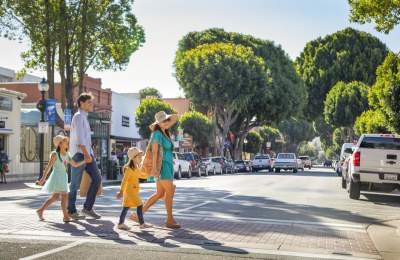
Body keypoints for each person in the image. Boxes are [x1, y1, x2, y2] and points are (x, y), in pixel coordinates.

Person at [130, 111, 180, 229]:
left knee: (160, 193)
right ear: (159, 123)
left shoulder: (165, 133)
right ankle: (170, 219)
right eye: (164, 121)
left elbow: (166, 151)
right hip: (162, 167)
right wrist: (154, 169)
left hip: (167, 165)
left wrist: (170, 159)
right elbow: (155, 152)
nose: (167, 122)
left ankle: (139, 214)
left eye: (167, 120)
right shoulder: (157, 134)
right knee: (169, 192)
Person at [68, 92, 102, 220]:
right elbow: (80, 139)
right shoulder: (78, 117)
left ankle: (87, 208)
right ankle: (71, 210)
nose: (91, 104)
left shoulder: (84, 117)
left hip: (88, 154)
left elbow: (85, 139)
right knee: (75, 184)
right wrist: (87, 154)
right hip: (79, 154)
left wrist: (90, 152)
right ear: (81, 103)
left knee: (97, 179)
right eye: (89, 102)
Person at [36, 135, 86, 222]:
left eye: (67, 141)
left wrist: (85, 160)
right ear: (60, 144)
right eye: (65, 142)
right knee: (64, 196)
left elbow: (75, 165)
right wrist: (43, 179)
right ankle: (66, 216)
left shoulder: (67, 155)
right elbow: (48, 167)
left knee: (55, 197)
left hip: (63, 177)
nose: (67, 143)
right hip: (57, 177)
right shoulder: (55, 154)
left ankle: (40, 210)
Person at [116, 147, 151, 230]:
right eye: (139, 157)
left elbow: (142, 175)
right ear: (133, 158)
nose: (141, 158)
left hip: (132, 191)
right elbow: (124, 181)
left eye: (141, 157)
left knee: (126, 207)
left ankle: (120, 223)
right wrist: (121, 191)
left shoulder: (135, 168)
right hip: (130, 191)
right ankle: (142, 223)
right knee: (140, 204)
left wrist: (148, 173)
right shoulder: (129, 169)